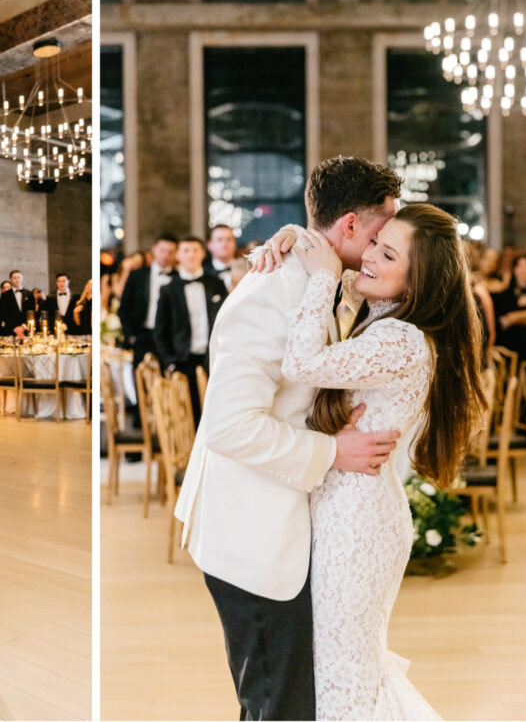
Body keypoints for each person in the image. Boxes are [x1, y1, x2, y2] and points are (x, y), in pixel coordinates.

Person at [174, 156, 403, 720]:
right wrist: (332, 452)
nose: (383, 246)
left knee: (287, 700)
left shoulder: (312, 274)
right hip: (251, 535)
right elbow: (230, 424)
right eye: (381, 232)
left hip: (279, 524)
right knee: (277, 707)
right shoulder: (272, 294)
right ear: (350, 226)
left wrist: (297, 237)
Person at [270, 204, 486, 719]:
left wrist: (322, 277)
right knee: (345, 671)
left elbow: (300, 364)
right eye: (374, 242)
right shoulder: (387, 319)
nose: (367, 256)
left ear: (417, 283)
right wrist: (293, 240)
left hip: (357, 520)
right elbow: (342, 260)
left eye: (387, 253)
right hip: (353, 504)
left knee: (346, 680)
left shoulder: (402, 339)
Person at [154, 236, 227, 425]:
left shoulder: (215, 284)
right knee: (190, 416)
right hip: (183, 360)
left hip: (212, 358)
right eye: (186, 251)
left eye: (195, 250)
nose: (191, 255)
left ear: (202, 253)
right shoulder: (169, 289)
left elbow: (227, 320)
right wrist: (170, 361)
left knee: (217, 412)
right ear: (178, 255)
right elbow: (160, 330)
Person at [119, 234, 177, 367]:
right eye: (162, 250)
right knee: (140, 381)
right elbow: (124, 308)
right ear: (154, 250)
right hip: (142, 336)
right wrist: (131, 336)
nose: (166, 255)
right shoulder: (137, 275)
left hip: (170, 338)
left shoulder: (178, 279)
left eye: (171, 251)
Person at [493, 253, 526, 360]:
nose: (523, 270)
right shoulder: (506, 293)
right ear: (514, 269)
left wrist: (514, 318)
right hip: (510, 346)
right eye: (519, 266)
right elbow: (503, 321)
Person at [0, 269, 37, 336]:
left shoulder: (29, 294)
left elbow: (32, 312)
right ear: (10, 279)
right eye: (14, 278)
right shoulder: (5, 295)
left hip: (26, 330)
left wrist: (23, 327)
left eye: (19, 277)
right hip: (11, 330)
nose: (17, 280)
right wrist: (15, 328)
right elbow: (4, 314)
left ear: (22, 278)